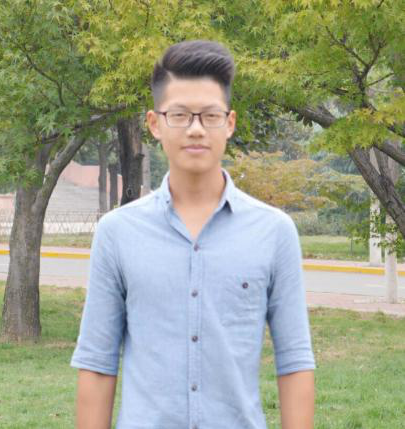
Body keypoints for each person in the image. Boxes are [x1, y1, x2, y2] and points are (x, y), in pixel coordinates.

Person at [70, 39, 316, 429]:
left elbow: (295, 361)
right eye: (180, 115)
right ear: (155, 123)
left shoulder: (274, 232)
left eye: (210, 116)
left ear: (229, 123)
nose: (196, 129)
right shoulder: (116, 233)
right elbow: (98, 364)